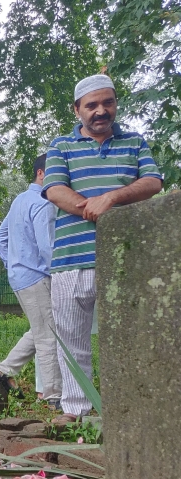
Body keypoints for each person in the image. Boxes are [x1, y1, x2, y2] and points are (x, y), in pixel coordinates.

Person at [42, 74, 162, 424]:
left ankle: (130, 410)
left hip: (126, 260)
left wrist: (110, 197)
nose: (100, 111)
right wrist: (90, 208)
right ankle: (76, 412)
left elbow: (152, 182)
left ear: (115, 104)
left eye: (106, 102)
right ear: (77, 109)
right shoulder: (61, 146)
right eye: (91, 105)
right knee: (71, 338)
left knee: (130, 337)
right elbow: (54, 190)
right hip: (71, 259)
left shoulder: (134, 142)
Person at [0, 155, 62, 407]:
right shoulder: (43, 203)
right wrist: (58, 274)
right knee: (48, 337)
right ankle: (54, 398)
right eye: (57, 173)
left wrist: (14, 264)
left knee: (40, 328)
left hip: (20, 279)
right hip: (38, 277)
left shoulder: (20, 200)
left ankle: (4, 370)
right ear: (41, 174)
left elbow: (0, 238)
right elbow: (48, 247)